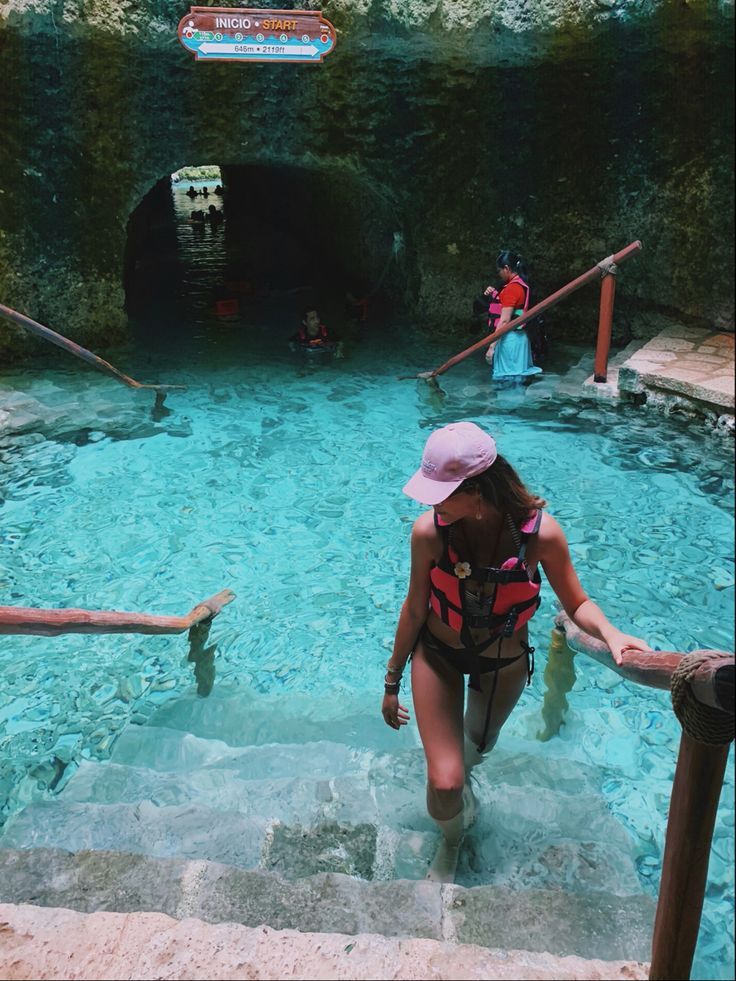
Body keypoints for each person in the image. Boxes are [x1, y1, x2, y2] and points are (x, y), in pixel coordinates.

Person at [382, 422, 651, 882]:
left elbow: (578, 603)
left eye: (441, 491)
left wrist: (610, 633)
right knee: (445, 781)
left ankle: (466, 776)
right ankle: (450, 844)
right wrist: (391, 681)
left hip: (502, 662)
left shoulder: (540, 536)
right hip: (438, 656)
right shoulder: (429, 532)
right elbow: (414, 607)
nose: (431, 501)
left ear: (478, 490)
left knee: (476, 752)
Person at [484, 251, 542, 380]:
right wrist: (494, 293)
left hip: (510, 341)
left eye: (499, 271)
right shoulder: (521, 285)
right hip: (520, 339)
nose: (499, 275)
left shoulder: (512, 289)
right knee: (517, 378)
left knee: (507, 380)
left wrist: (491, 347)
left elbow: (504, 321)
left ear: (506, 268)